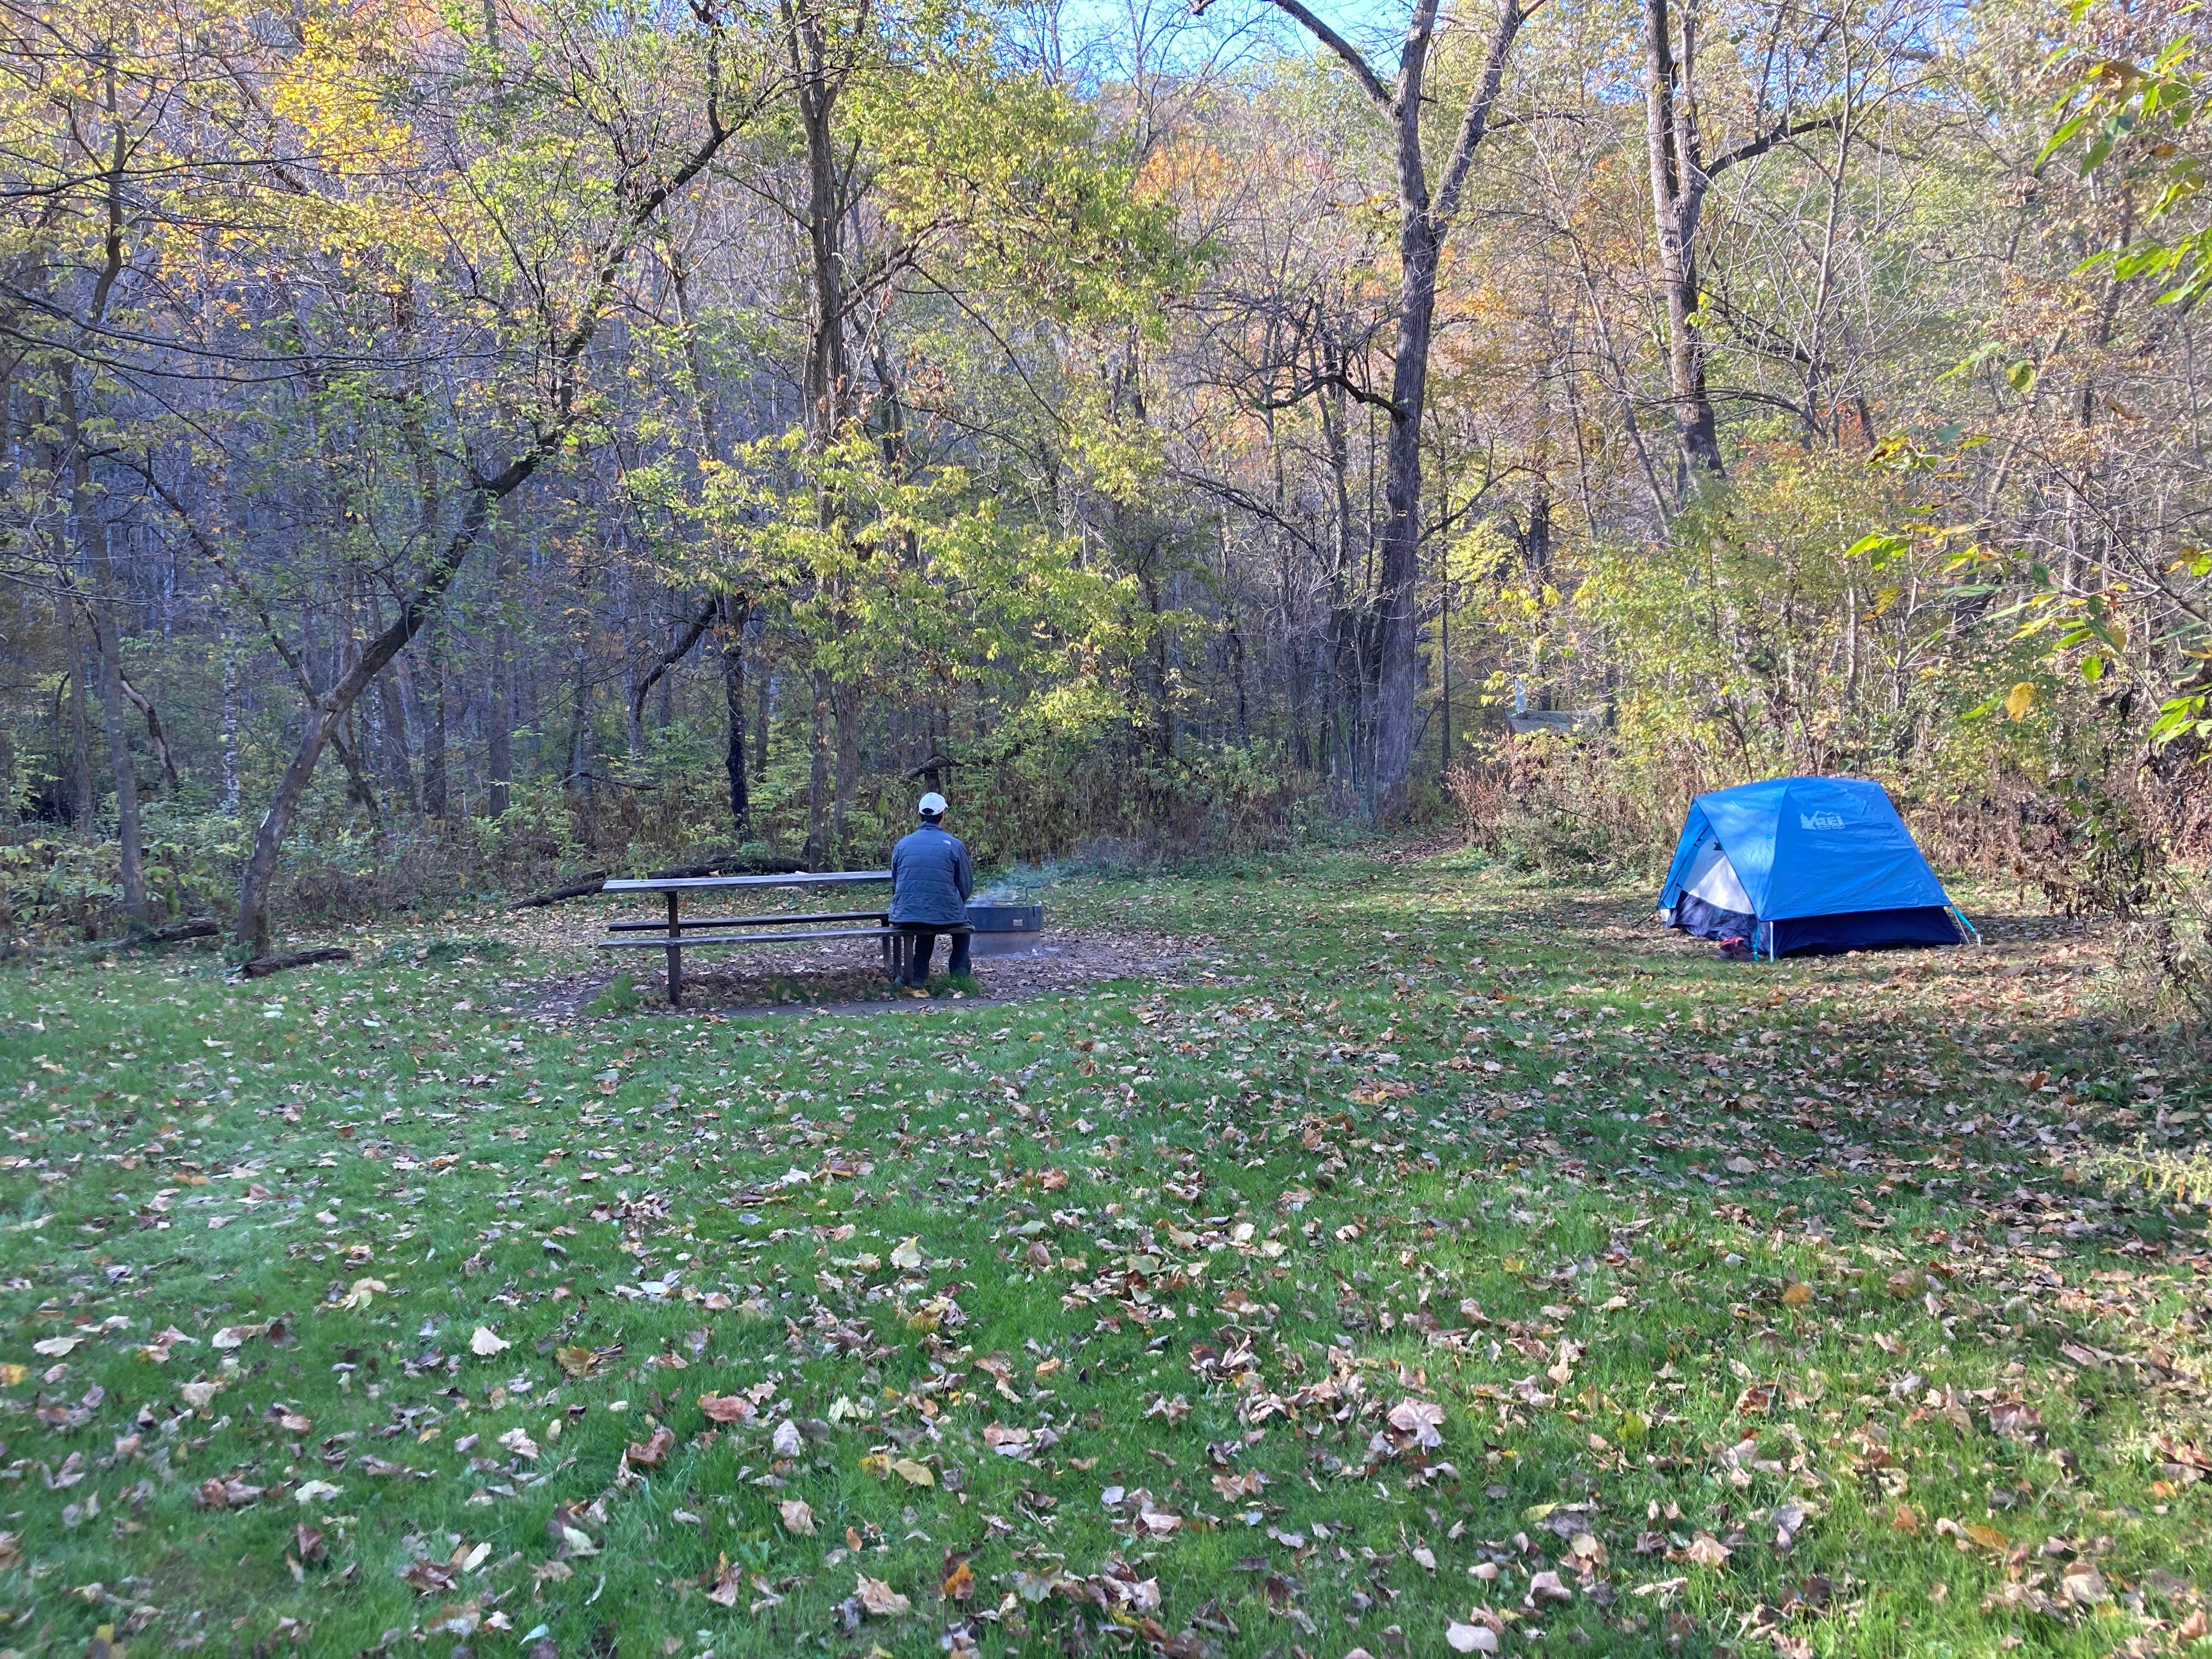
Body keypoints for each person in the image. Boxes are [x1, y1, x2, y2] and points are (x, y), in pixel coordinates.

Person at [889, 791, 973, 992]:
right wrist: (954, 903)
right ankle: (960, 976)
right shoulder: (955, 845)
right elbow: (965, 885)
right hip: (944, 913)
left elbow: (896, 883)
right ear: (943, 814)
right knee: (962, 929)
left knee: (925, 922)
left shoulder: (902, 845)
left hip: (906, 913)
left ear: (920, 814)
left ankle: (917, 977)